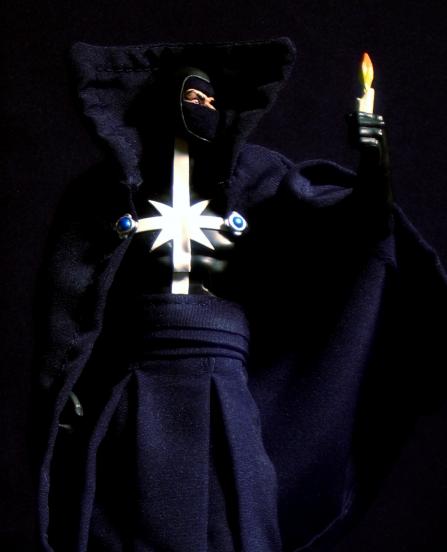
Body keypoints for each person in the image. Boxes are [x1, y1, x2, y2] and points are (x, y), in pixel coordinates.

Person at [36, 38, 447, 552]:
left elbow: (346, 227)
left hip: (223, 372)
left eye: (210, 99)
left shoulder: (256, 178)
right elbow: (70, 300)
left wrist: (373, 158)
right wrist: (70, 387)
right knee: (125, 518)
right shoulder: (110, 188)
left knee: (237, 517)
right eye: (191, 98)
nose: (201, 107)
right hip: (138, 374)